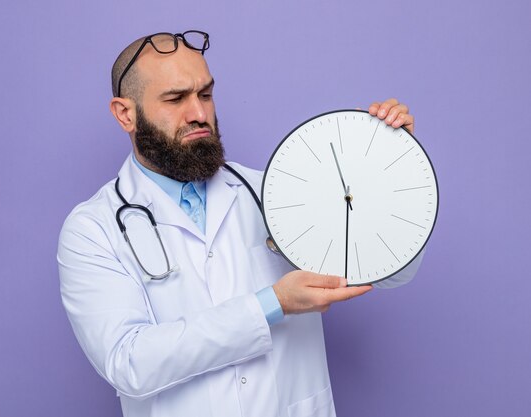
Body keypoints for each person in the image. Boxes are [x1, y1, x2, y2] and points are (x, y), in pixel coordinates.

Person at [58, 30, 423, 417]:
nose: (199, 113)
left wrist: (390, 168)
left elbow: (388, 273)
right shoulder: (93, 229)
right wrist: (272, 303)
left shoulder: (276, 189)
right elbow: (128, 363)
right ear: (125, 113)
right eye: (175, 98)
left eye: (205, 94)